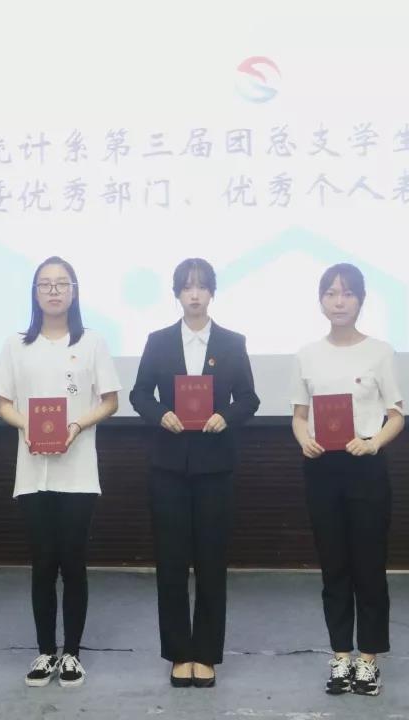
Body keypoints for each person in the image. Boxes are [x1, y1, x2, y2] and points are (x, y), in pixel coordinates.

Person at [0, 256, 120, 688]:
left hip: (77, 472)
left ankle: (73, 654)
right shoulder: (16, 345)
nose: (54, 290)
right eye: (45, 284)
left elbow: (110, 400)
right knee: (43, 563)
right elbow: (3, 403)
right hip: (34, 473)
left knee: (73, 563)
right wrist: (27, 426)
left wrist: (77, 424)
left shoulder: (92, 342)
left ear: (74, 292)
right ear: (35, 293)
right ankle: (46, 651)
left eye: (62, 283)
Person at [128, 257, 259, 688]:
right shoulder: (159, 341)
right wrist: (160, 414)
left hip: (215, 467)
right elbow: (139, 394)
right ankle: (178, 653)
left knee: (211, 563)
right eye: (187, 287)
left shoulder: (232, 342)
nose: (195, 294)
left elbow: (249, 399)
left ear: (213, 292)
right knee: (170, 563)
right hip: (168, 466)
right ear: (177, 294)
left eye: (202, 286)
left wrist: (226, 416)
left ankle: (205, 654)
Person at [290, 262, 404, 697]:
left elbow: (396, 415)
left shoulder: (380, 352)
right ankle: (340, 654)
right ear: (321, 301)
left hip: (365, 468)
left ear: (361, 300)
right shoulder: (307, 354)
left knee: (369, 567)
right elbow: (299, 416)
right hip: (322, 469)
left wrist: (373, 443)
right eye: (331, 293)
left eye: (348, 293)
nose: (339, 301)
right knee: (333, 566)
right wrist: (305, 440)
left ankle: (369, 658)